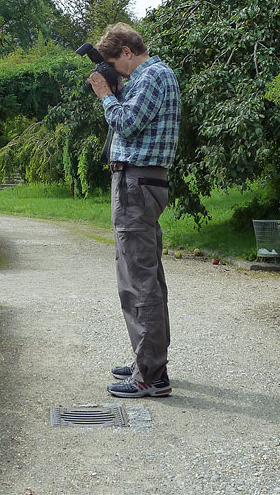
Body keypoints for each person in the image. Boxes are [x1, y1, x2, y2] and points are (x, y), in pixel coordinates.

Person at [87, 23, 181, 398]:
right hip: (144, 183)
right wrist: (116, 91)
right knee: (148, 274)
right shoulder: (154, 77)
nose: (114, 69)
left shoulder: (152, 76)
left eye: (114, 61)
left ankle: (151, 375)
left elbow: (126, 124)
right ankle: (150, 357)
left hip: (136, 185)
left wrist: (106, 94)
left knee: (137, 280)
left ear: (127, 50)